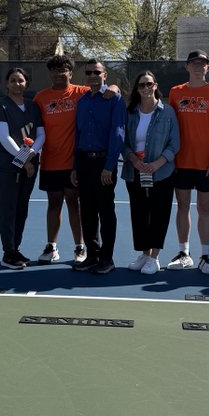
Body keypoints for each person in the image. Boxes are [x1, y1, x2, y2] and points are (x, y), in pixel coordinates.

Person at [167, 50, 209, 276]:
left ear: (207, 68)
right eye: (193, 63)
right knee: (182, 206)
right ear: (187, 67)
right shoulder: (175, 92)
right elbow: (169, 126)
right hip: (180, 161)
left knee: (204, 208)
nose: (198, 67)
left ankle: (205, 256)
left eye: (202, 63)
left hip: (206, 163)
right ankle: (184, 254)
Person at [71, 59, 126, 275]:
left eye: (97, 72)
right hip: (84, 162)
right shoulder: (83, 101)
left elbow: (118, 133)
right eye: (89, 72)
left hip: (104, 163)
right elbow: (79, 133)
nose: (92, 75)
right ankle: (92, 255)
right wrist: (75, 166)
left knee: (105, 211)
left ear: (105, 75)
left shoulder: (114, 99)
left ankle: (107, 258)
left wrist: (109, 166)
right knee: (88, 212)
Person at [33, 55, 89, 265]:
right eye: (55, 70)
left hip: (74, 164)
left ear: (70, 72)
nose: (59, 74)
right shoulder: (41, 98)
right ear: (50, 74)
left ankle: (79, 247)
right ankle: (52, 247)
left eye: (63, 69)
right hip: (50, 162)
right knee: (53, 204)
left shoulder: (82, 93)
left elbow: (108, 90)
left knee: (74, 204)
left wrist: (114, 88)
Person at [122, 70, 179, 275]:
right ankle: (145, 254)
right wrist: (134, 160)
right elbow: (124, 143)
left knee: (159, 214)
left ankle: (154, 257)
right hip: (134, 171)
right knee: (139, 214)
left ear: (155, 85)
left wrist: (157, 163)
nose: (146, 88)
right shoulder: (130, 112)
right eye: (141, 85)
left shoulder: (168, 112)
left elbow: (174, 144)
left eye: (149, 84)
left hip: (162, 172)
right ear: (137, 89)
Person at [0, 67, 45, 269]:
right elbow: (4, 137)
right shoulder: (0, 106)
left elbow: (41, 135)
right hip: (8, 168)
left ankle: (15, 248)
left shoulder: (32, 107)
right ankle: (8, 253)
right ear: (6, 84)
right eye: (12, 80)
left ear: (26, 84)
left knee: (22, 209)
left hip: (29, 167)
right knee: (8, 210)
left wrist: (31, 155)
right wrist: (24, 159)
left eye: (21, 80)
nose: (17, 84)